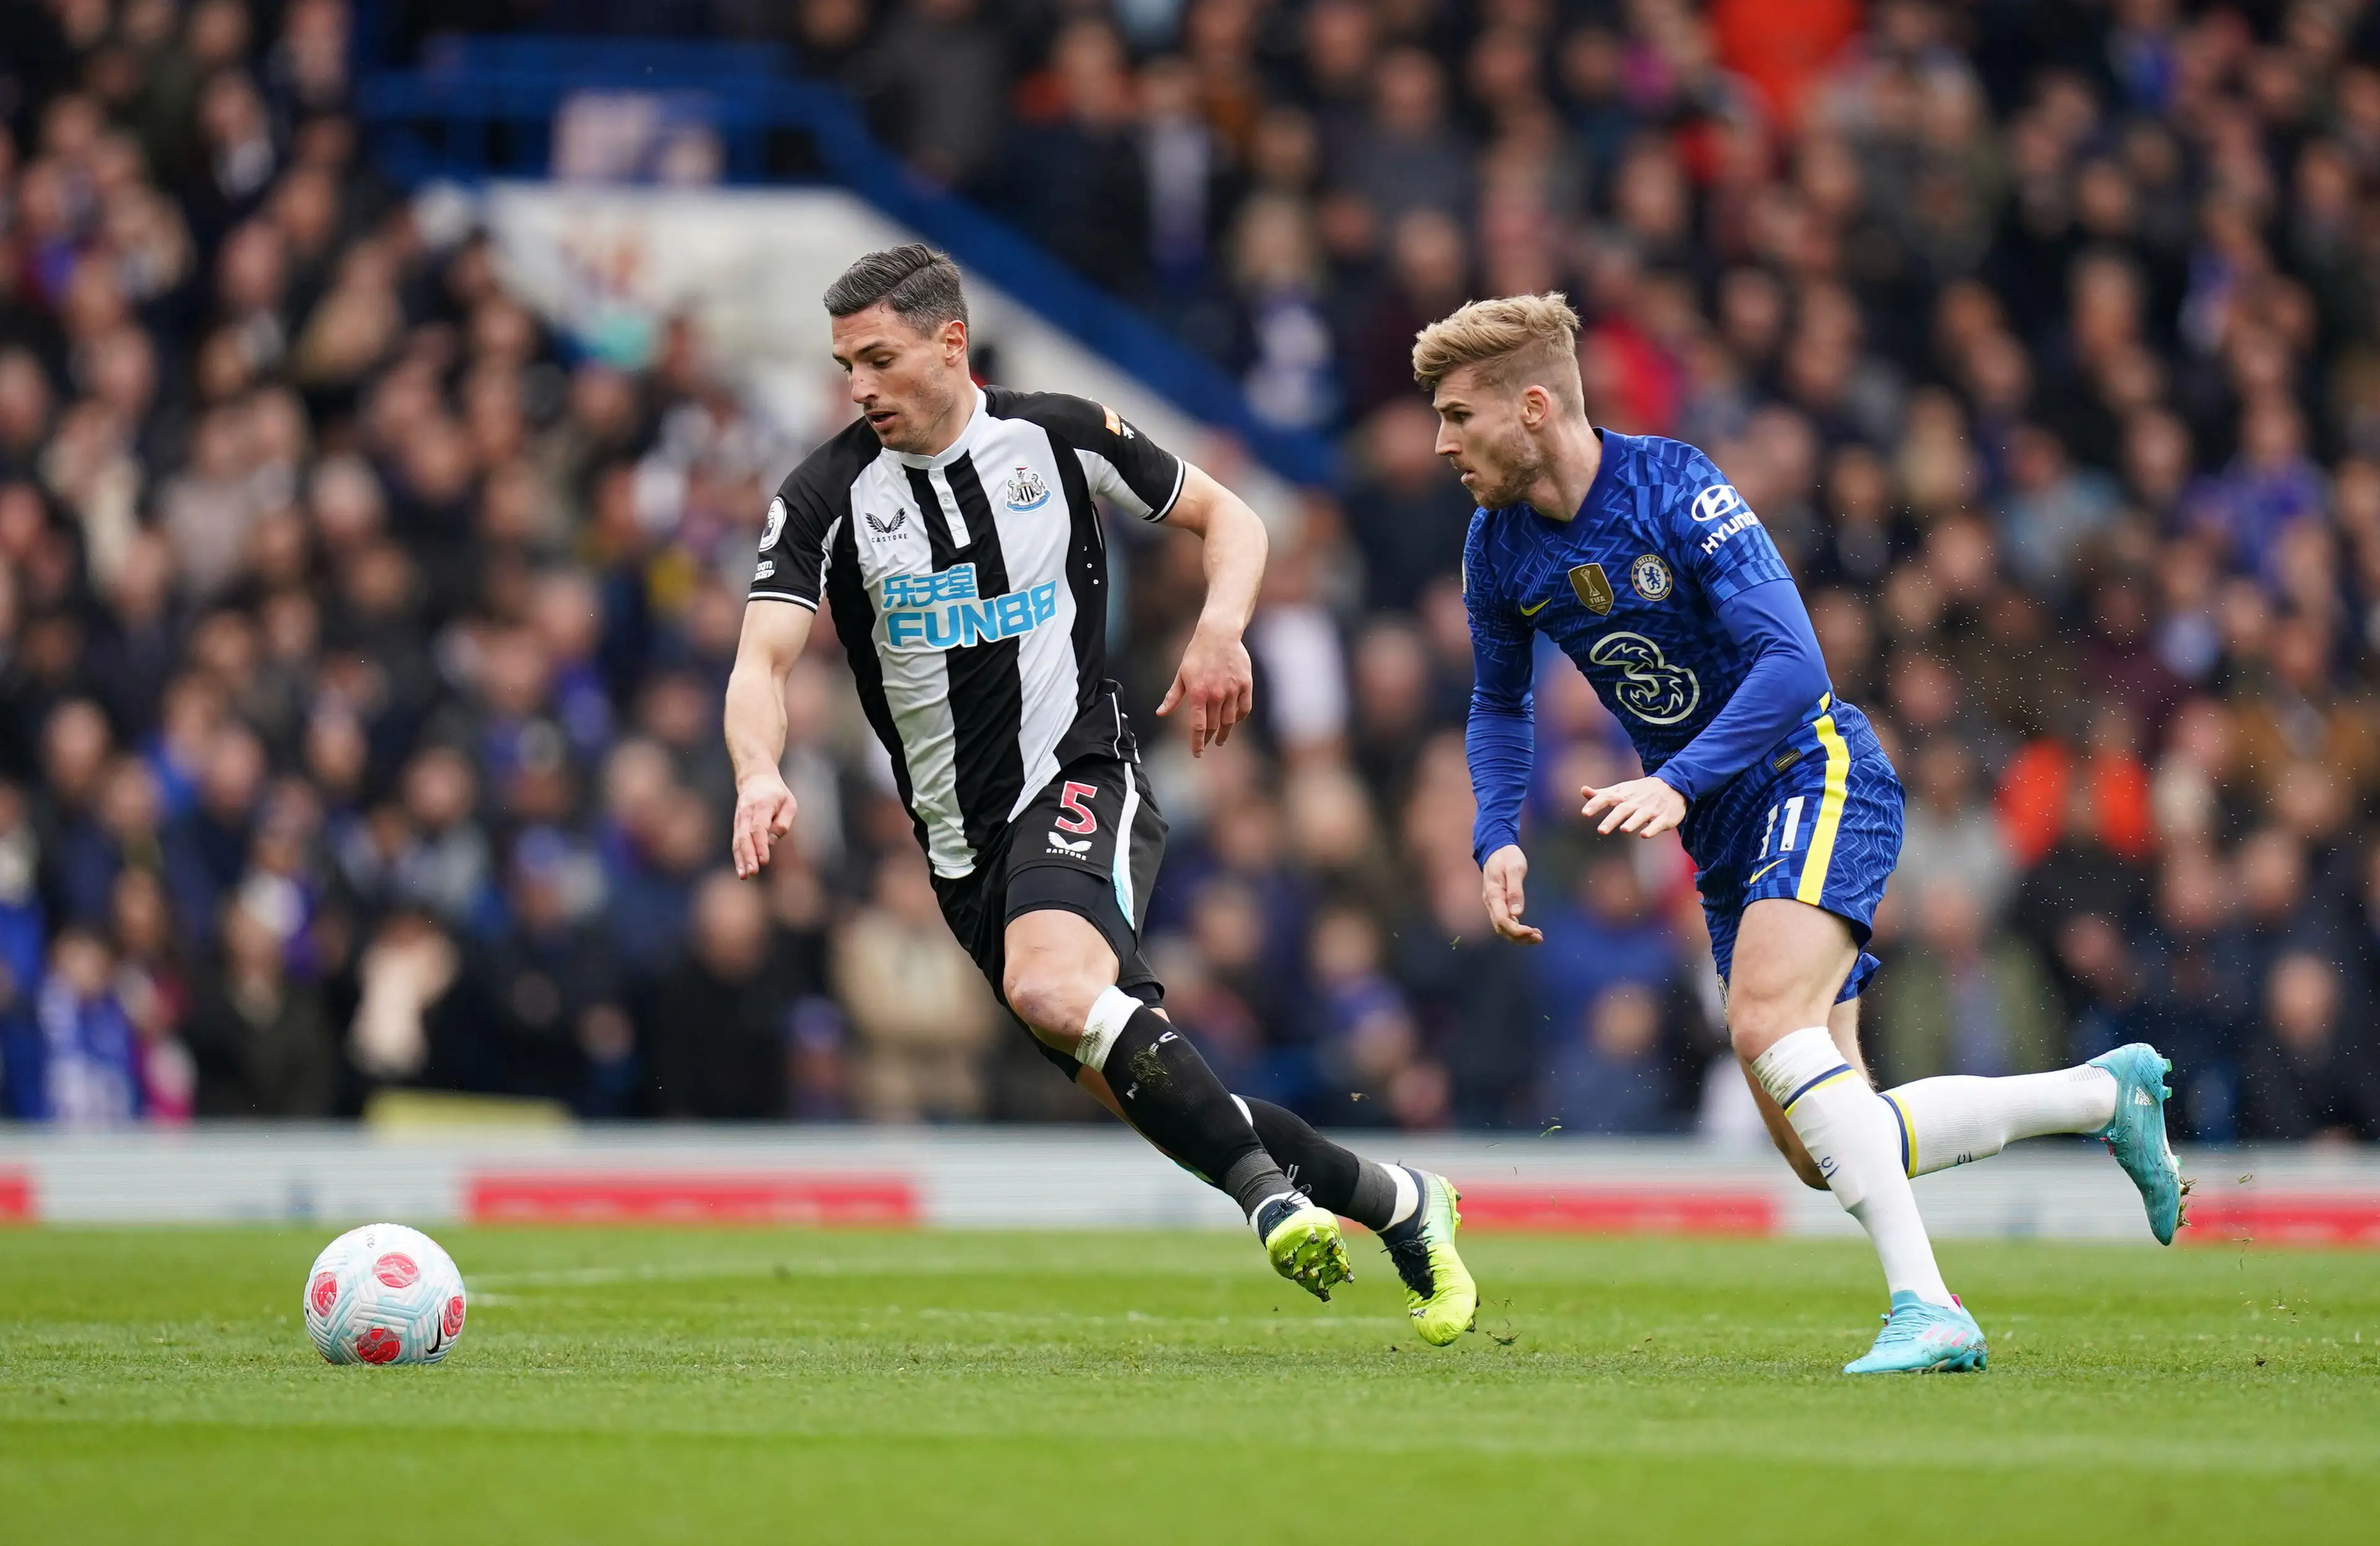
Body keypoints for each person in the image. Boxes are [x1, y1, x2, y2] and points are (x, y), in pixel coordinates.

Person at [723, 244, 1476, 1341]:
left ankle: (1272, 1208)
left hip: (1080, 773)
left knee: (1052, 986)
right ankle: (1402, 1203)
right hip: (960, 854)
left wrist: (1221, 629)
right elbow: (761, 662)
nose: (860, 388)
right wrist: (757, 769)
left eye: (879, 360)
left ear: (950, 343)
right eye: (846, 366)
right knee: (1151, 1085)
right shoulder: (828, 495)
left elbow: (1238, 520)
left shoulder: (1055, 435)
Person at [1426, 293, 2185, 1374]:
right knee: (1827, 1145)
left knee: (1760, 1020)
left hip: (1814, 770)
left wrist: (1680, 780)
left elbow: (1794, 666)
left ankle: (1932, 1307)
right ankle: (2104, 1094)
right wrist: (1497, 830)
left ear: (1534, 406)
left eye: (1458, 414)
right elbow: (1500, 703)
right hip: (1727, 831)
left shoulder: (1674, 488)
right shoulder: (1494, 547)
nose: (1441, 441)